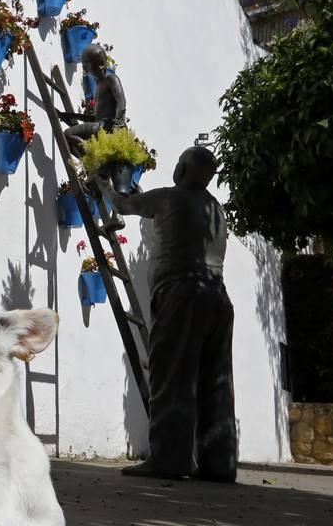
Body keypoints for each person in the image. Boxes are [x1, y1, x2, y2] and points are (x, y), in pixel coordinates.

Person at [99, 144, 237, 481]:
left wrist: (103, 185)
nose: (175, 167)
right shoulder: (216, 209)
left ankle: (168, 460)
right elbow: (163, 211)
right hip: (218, 297)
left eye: (179, 162)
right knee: (215, 383)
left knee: (172, 377)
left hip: (182, 294)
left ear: (185, 170)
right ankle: (219, 465)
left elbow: (124, 205)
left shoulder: (170, 197)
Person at [63, 45, 126, 160]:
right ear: (86, 69)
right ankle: (92, 163)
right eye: (97, 64)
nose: (102, 67)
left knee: (67, 134)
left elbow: (121, 102)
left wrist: (117, 122)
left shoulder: (111, 79)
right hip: (101, 125)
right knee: (69, 140)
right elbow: (96, 118)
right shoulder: (98, 87)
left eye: (103, 62)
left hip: (107, 128)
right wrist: (70, 116)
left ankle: (93, 162)